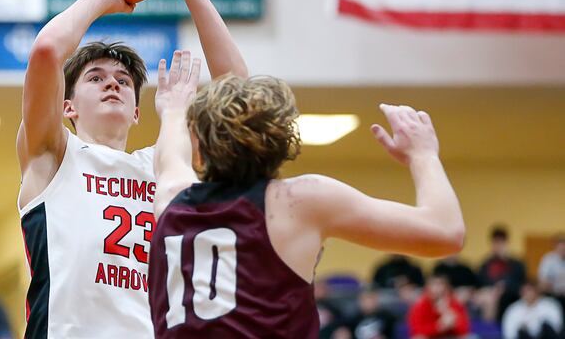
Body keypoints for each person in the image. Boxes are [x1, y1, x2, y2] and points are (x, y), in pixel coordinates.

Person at [16, 0, 247, 339]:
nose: (113, 86)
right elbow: (47, 51)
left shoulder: (163, 166)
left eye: (123, 81)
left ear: (138, 111)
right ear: (67, 107)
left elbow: (239, 94)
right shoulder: (52, 155)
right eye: (96, 78)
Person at [148, 60, 465, 337]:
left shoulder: (170, 199)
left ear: (200, 150)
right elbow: (445, 232)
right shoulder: (297, 200)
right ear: (283, 140)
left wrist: (174, 110)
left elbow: (172, 158)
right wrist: (423, 155)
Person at [476, 225, 527, 321]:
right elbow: (480, 282)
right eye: (495, 243)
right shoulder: (486, 264)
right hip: (490, 294)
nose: (498, 246)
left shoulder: (516, 264)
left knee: (493, 298)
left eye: (501, 243)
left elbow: (520, 282)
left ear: (506, 243)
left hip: (510, 296)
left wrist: (503, 286)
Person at [538, 234, 565, 310]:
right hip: (553, 294)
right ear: (555, 247)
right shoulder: (548, 259)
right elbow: (542, 281)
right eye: (561, 247)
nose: (563, 249)